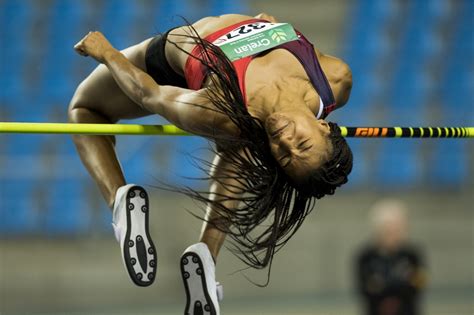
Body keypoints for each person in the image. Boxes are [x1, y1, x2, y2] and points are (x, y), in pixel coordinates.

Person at [69, 13, 353, 314]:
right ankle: (205, 253)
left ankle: (119, 197)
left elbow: (149, 94)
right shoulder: (335, 79)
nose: (285, 141)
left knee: (84, 109)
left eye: (284, 155)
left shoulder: (222, 112)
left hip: (171, 60)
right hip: (220, 77)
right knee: (244, 142)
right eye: (302, 144)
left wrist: (106, 53)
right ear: (324, 126)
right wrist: (268, 27)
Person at [354, 199, 427, 315]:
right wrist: (400, 282)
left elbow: (418, 286)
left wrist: (385, 284)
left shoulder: (413, 256)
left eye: (398, 228)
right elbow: (366, 290)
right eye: (388, 229)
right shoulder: (365, 257)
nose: (394, 233)